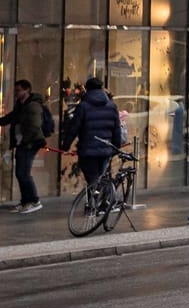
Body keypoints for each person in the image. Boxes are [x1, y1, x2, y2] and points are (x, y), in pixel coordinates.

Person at [59, 78, 125, 192]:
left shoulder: (83, 106)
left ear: (87, 89)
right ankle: (101, 204)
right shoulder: (111, 106)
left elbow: (74, 128)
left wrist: (65, 145)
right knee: (101, 177)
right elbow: (116, 129)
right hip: (105, 149)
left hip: (88, 149)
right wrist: (116, 146)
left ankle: (95, 204)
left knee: (92, 179)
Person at [0, 81, 49, 213]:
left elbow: (34, 126)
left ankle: (33, 200)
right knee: (20, 173)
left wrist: (25, 141)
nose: (16, 93)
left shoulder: (33, 106)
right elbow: (12, 117)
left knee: (23, 173)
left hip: (29, 143)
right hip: (23, 142)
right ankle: (25, 201)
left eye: (18, 90)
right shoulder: (21, 105)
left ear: (26, 90)